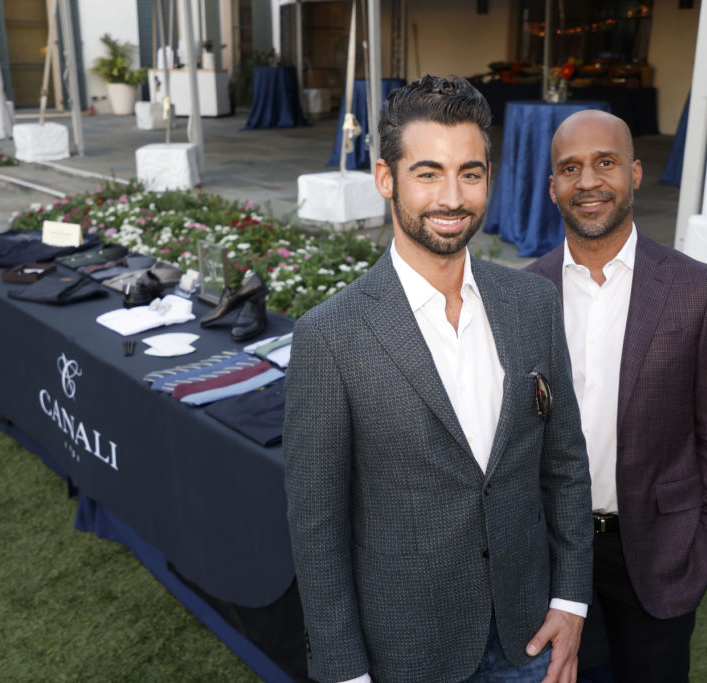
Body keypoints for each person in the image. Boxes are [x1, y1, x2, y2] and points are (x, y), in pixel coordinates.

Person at [283, 75, 593, 683]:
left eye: (470, 173)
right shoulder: (330, 336)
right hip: (403, 651)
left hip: (527, 636)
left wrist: (570, 600)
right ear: (385, 178)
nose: (452, 197)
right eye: (428, 173)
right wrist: (344, 671)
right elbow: (317, 527)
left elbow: (565, 463)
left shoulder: (532, 303)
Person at [526, 109, 707, 682]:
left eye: (606, 163)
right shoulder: (523, 294)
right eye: (570, 168)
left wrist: (702, 546)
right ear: (553, 188)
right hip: (556, 552)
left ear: (635, 173)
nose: (589, 181)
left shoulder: (699, 290)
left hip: (660, 549)